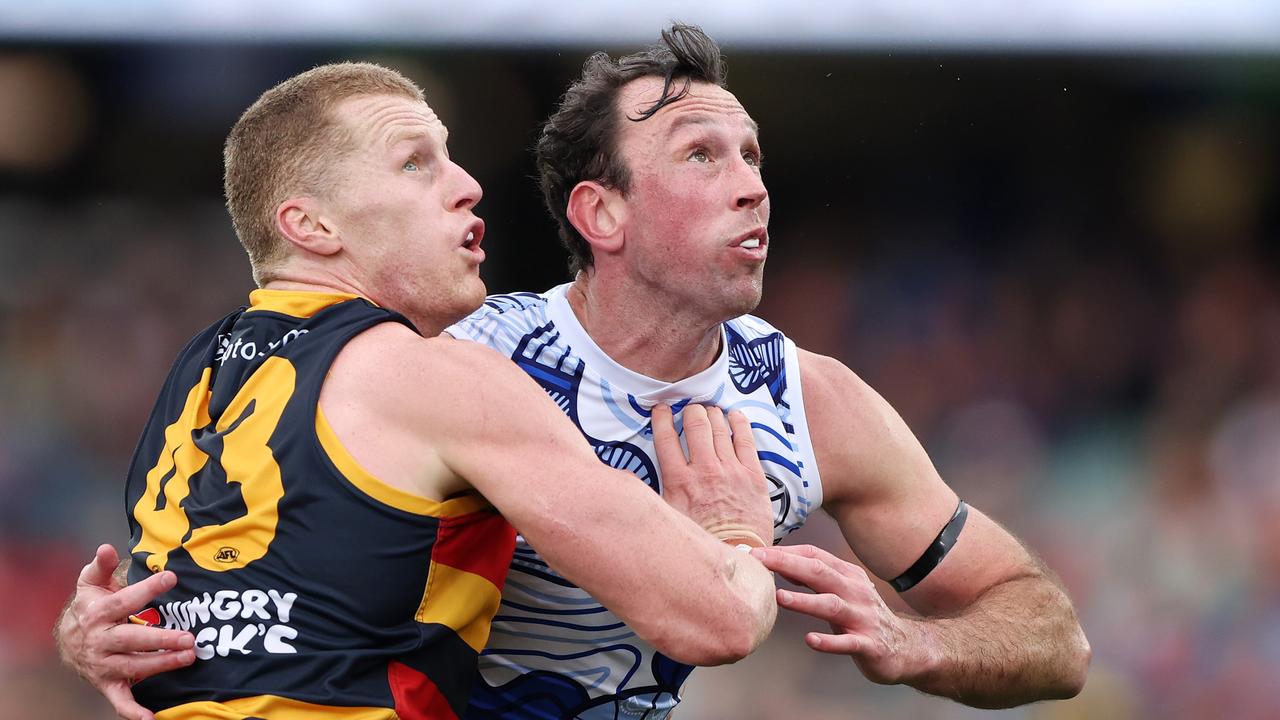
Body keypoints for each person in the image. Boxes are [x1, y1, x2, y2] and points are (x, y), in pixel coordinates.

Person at [62, 24, 1092, 719]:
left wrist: (925, 649)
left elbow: (1051, 635)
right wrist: (108, 628)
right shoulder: (457, 358)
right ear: (600, 214)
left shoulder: (812, 404)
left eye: (754, 157)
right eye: (702, 156)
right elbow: (257, 556)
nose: (752, 189)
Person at [53, 61, 780, 720]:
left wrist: (79, 632)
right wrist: (735, 534)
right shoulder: (435, 377)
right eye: (414, 163)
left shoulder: (199, 369)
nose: (467, 185)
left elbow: (196, 603)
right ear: (311, 225)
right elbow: (713, 619)